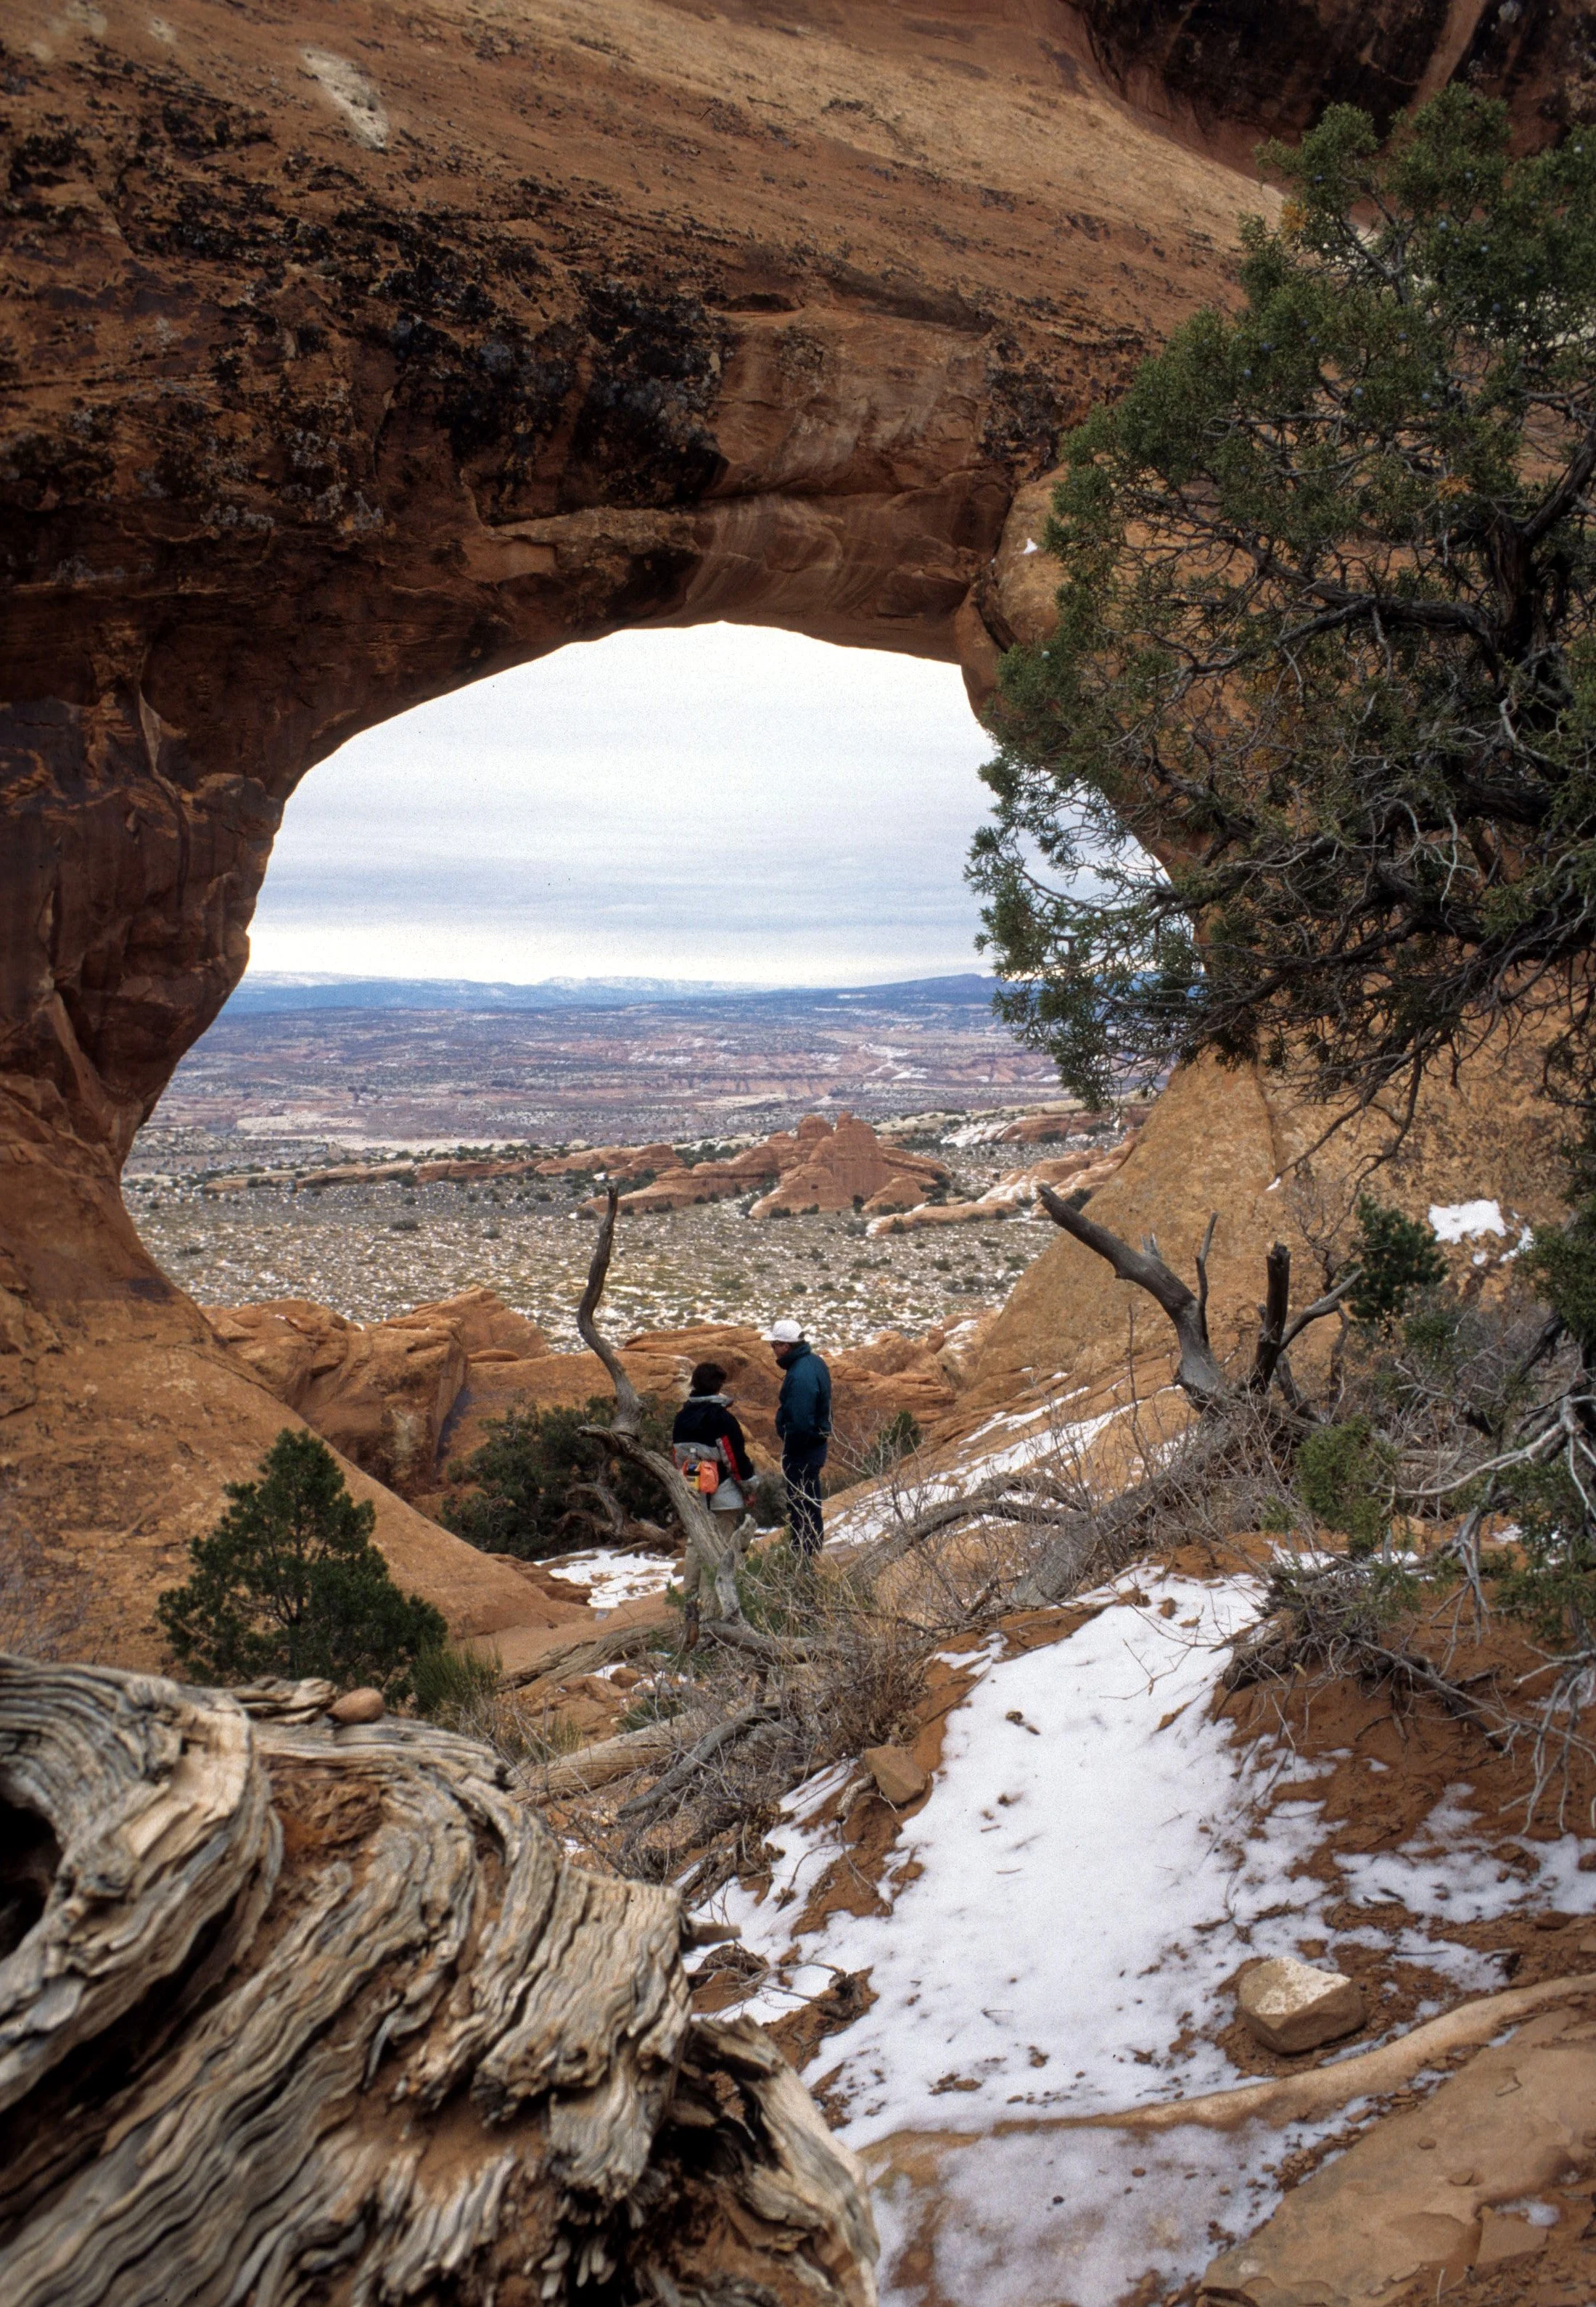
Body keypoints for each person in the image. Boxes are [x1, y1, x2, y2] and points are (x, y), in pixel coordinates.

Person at [765, 1317, 831, 1560]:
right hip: (813, 1446)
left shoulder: (801, 1373)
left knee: (801, 1504)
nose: (773, 1349)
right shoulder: (813, 1362)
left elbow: (802, 1421)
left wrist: (789, 1442)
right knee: (809, 1501)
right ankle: (810, 1551)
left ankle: (804, 1556)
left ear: (786, 1346)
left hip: (803, 1449)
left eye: (775, 1345)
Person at [671, 1362, 757, 1517]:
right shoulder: (722, 1418)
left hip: (693, 1493)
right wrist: (748, 1489)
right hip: (723, 1496)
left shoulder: (681, 1418)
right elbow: (735, 1459)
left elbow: (678, 1457)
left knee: (697, 1540)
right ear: (718, 1386)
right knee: (723, 1540)